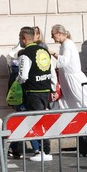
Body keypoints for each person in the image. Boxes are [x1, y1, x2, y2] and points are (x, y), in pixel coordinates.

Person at [16, 26, 56, 162]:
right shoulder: (44, 51)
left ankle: (43, 151)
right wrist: (53, 89)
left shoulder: (25, 54)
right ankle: (46, 150)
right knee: (43, 119)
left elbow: (23, 75)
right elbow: (51, 71)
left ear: (23, 38)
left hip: (33, 91)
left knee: (36, 121)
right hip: (45, 90)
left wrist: (17, 81)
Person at [50, 24, 87, 109]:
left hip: (73, 80)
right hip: (68, 79)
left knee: (82, 100)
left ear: (58, 33)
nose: (52, 37)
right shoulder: (65, 44)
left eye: (53, 35)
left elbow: (65, 61)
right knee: (73, 102)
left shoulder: (67, 44)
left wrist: (53, 53)